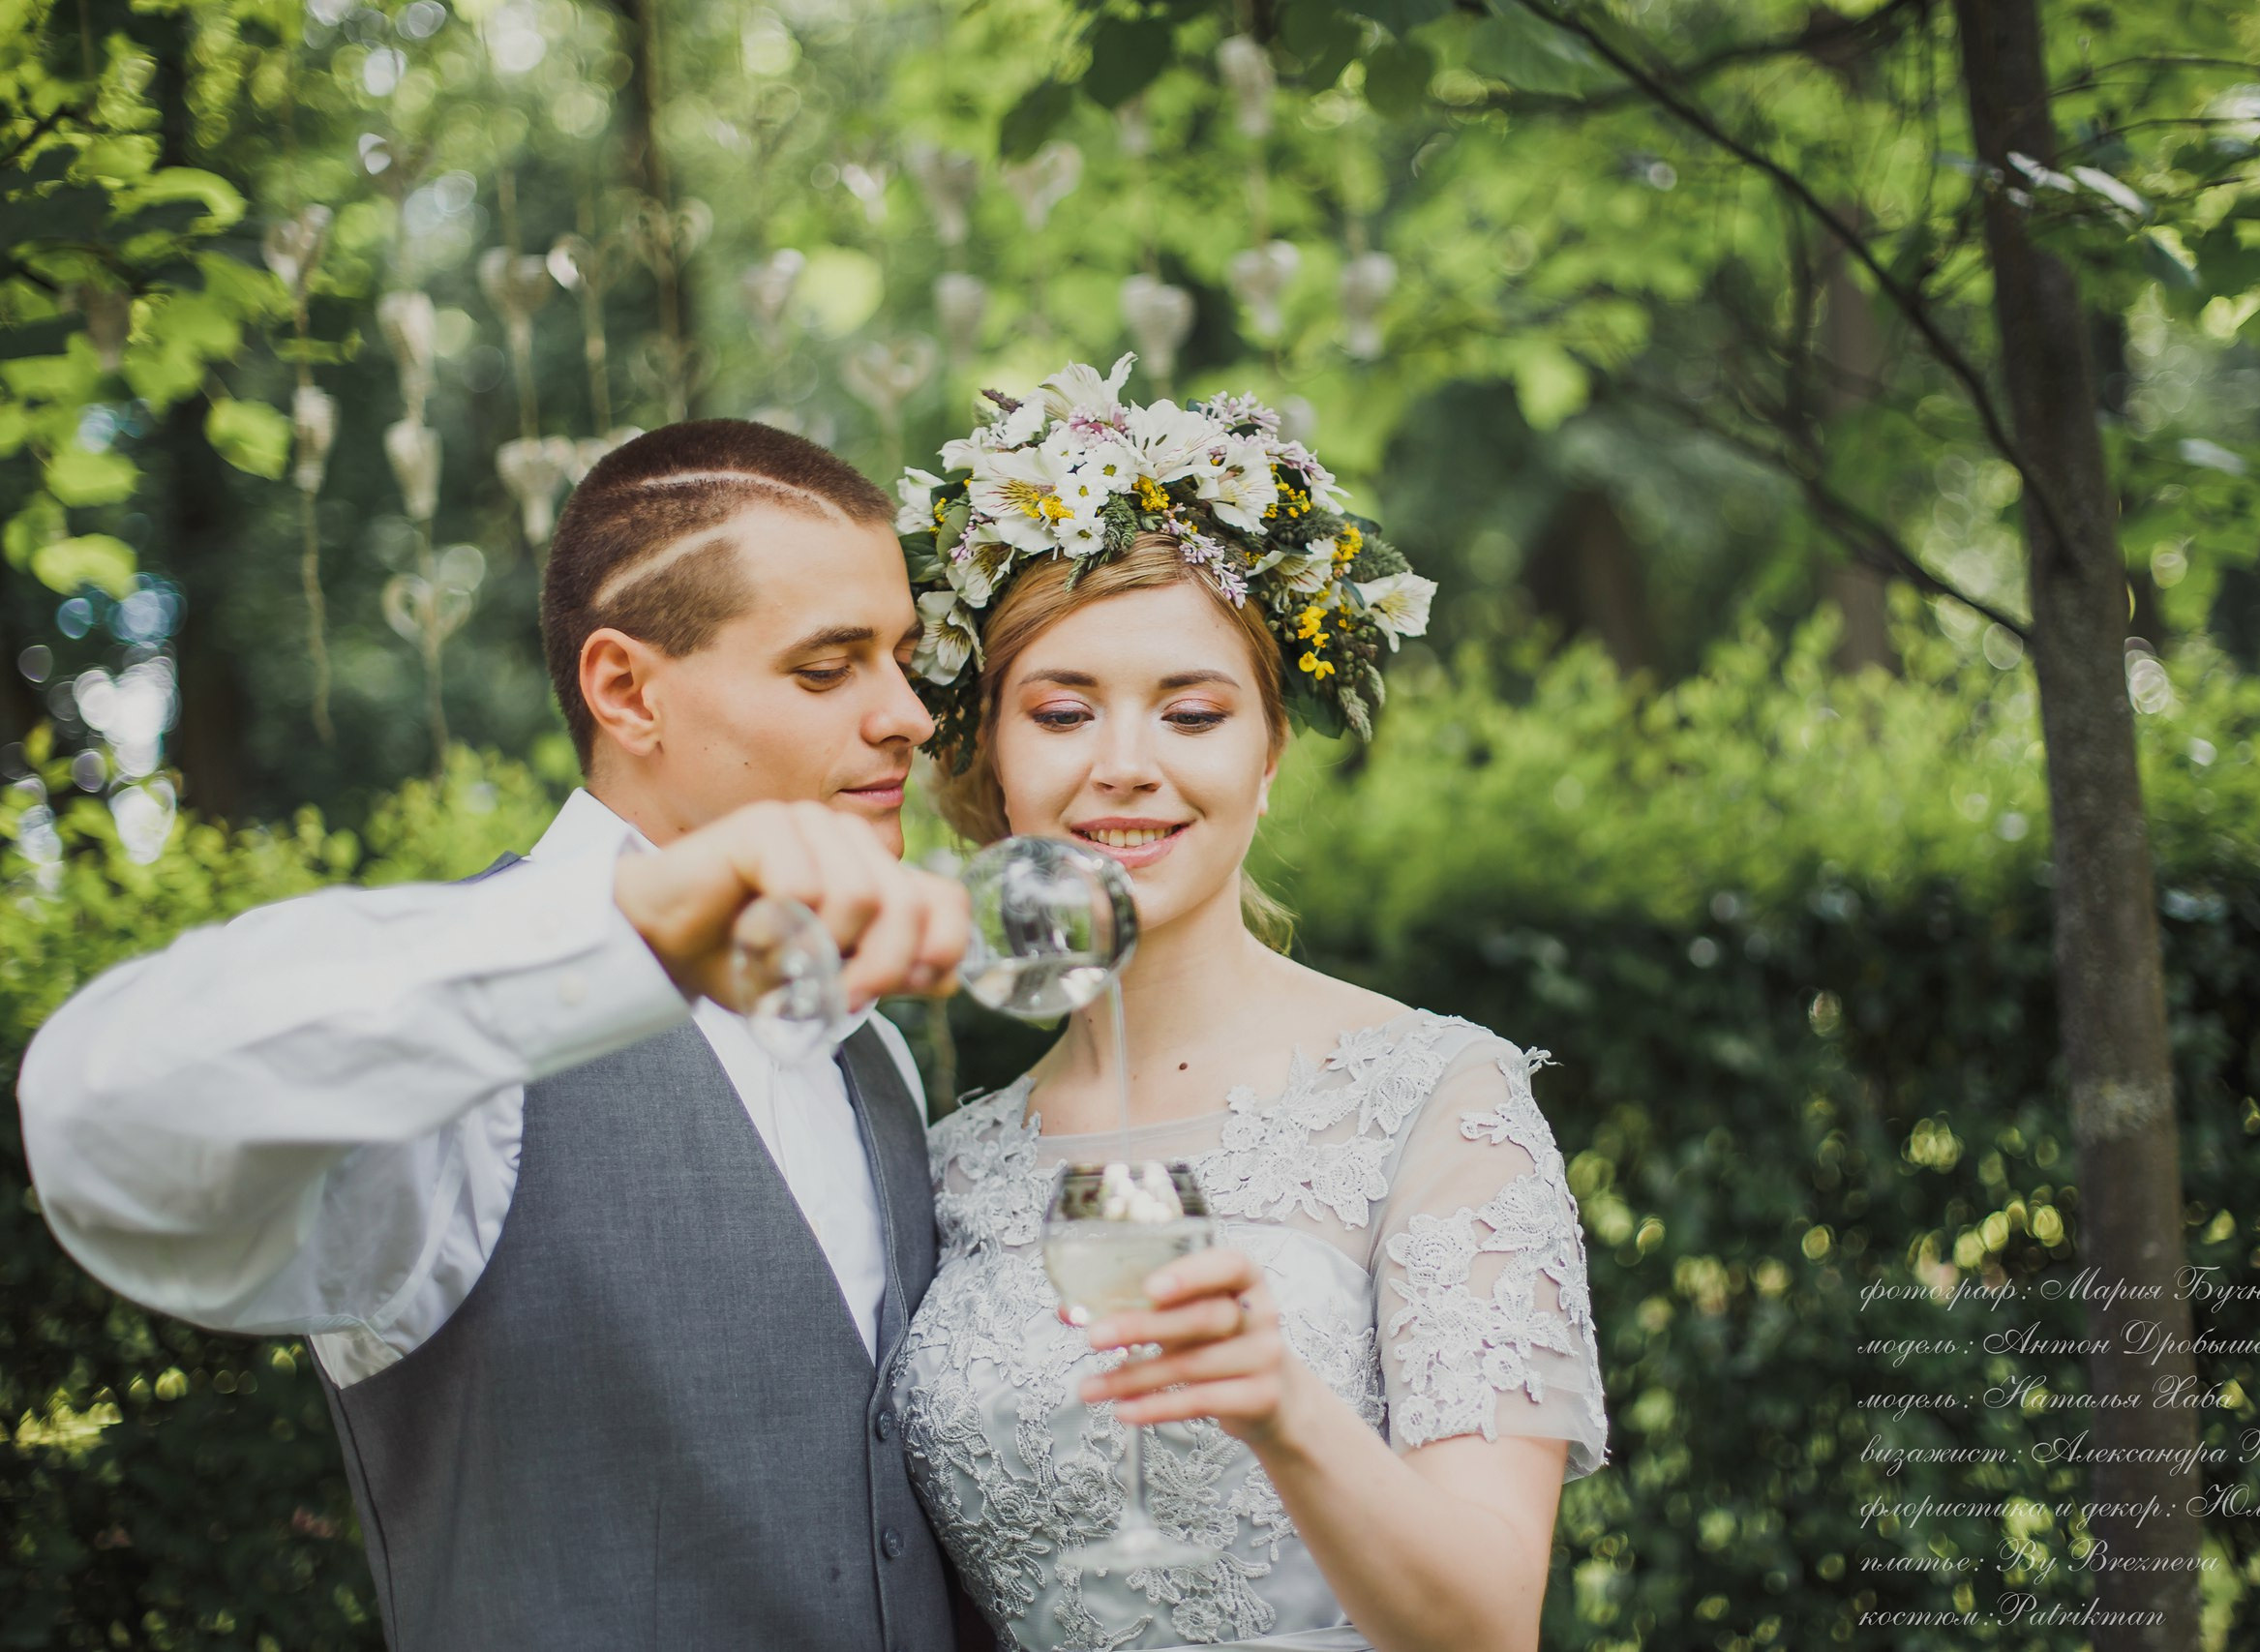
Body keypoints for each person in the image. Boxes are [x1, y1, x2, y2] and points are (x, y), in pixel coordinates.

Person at [17, 421, 986, 1652]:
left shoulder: (875, 1053)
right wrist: (626, 930)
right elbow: (99, 1111)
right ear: (626, 691)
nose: (906, 714)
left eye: (903, 658)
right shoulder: (460, 1057)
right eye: (825, 668)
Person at [885, 359, 1609, 1652]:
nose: (1126, 764)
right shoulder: (944, 1163)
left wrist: (1285, 1403)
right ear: (991, 752)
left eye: (1192, 710)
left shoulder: (1437, 1097)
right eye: (1061, 710)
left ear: (1268, 754)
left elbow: (1493, 1621)